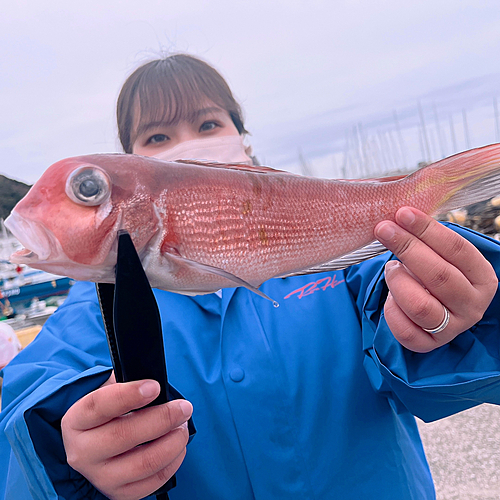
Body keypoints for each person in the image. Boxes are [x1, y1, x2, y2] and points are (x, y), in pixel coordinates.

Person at [1, 54, 500, 500]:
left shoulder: (351, 275)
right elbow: (25, 408)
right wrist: (66, 446)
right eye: (156, 137)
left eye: (208, 123)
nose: (186, 145)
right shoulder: (92, 312)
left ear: (242, 139)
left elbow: (425, 357)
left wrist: (457, 311)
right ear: (132, 156)